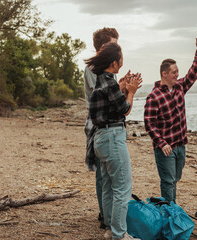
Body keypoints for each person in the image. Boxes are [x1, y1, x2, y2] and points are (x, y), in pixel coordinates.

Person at [87, 42, 142, 240]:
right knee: (123, 187)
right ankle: (119, 235)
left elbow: (112, 100)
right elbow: (124, 109)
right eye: (120, 61)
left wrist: (123, 86)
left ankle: (111, 229)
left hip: (101, 138)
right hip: (112, 137)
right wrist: (132, 91)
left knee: (109, 187)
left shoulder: (102, 80)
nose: (122, 64)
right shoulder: (109, 83)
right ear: (114, 63)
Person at [144, 32, 197, 203]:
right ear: (164, 74)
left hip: (180, 145)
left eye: (178, 72)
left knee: (174, 179)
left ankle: (165, 205)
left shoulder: (179, 87)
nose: (177, 75)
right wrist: (161, 143)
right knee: (169, 181)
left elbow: (194, 72)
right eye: (174, 72)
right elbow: (149, 124)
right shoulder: (154, 96)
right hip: (165, 148)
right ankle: (170, 213)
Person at [84, 27, 119, 229]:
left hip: (106, 122)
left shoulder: (106, 69)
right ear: (104, 46)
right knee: (101, 173)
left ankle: (106, 212)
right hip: (98, 123)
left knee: (107, 172)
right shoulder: (93, 69)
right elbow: (106, 96)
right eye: (113, 44)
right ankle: (105, 215)